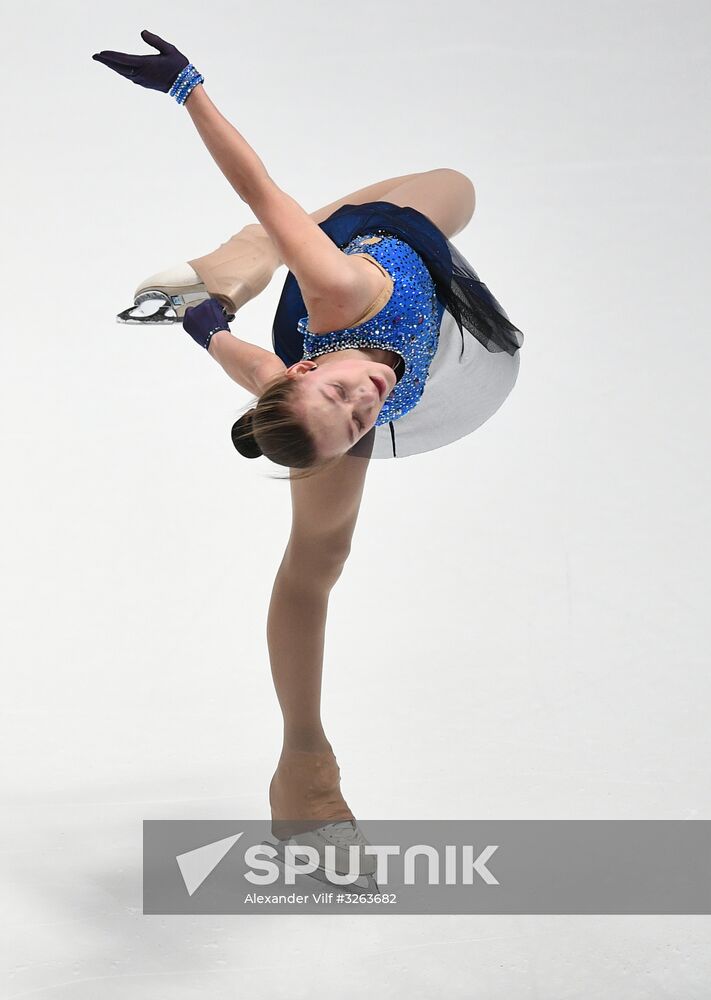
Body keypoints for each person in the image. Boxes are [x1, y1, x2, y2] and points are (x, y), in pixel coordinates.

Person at [93, 30, 524, 882]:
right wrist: (208, 330)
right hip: (306, 342)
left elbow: (259, 182)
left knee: (442, 193)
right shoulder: (312, 398)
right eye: (360, 422)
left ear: (313, 368)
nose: (364, 403)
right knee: (317, 556)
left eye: (341, 399)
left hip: (364, 261)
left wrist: (188, 90)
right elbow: (255, 371)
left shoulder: (339, 292)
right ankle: (304, 771)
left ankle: (249, 253)